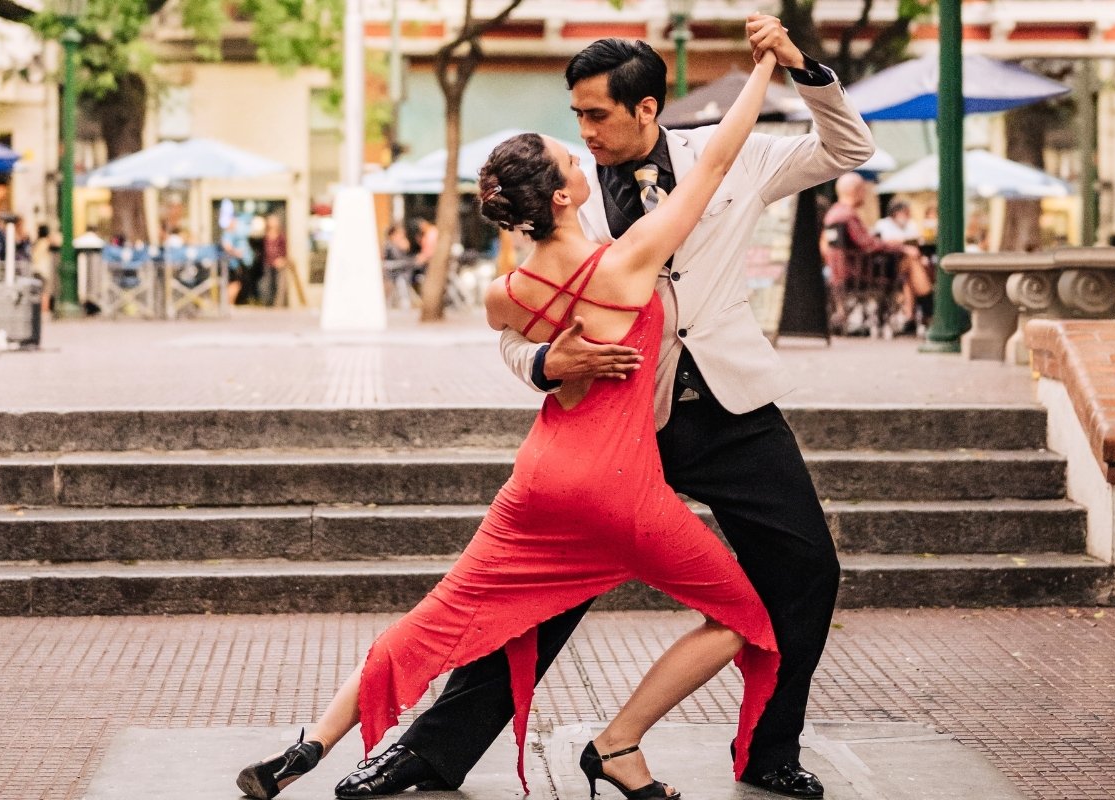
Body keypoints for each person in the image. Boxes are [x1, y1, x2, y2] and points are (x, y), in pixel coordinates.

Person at [237, 49, 784, 800]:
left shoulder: (504, 295)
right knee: (741, 620)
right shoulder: (627, 265)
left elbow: (521, 345)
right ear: (561, 198)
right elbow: (717, 161)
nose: (579, 150)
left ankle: (308, 745)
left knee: (435, 619)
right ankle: (619, 745)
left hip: (536, 486)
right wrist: (763, 68)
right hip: (620, 487)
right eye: (569, 155)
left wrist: (548, 362)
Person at [355, 20, 876, 800]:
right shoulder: (561, 196)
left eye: (597, 115)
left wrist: (803, 68)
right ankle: (431, 752)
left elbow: (847, 150)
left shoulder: (727, 156)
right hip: (616, 423)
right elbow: (517, 324)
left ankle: (770, 750)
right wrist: (542, 361)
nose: (584, 132)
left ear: (647, 109)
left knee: (807, 571)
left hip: (732, 408)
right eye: (577, 118)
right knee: (543, 594)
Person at [823, 172, 932, 333]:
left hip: (841, 271)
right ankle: (929, 312)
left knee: (908, 267)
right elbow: (868, 245)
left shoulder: (833, 214)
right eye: (864, 190)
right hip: (859, 272)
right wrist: (902, 247)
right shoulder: (848, 216)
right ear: (857, 190)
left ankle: (911, 317)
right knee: (911, 259)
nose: (866, 194)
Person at [262, 214, 289, 307]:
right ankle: (269, 303)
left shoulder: (281, 236)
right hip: (268, 263)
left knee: (279, 284)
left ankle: (278, 304)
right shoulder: (265, 235)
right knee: (269, 284)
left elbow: (284, 250)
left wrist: (282, 260)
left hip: (279, 264)